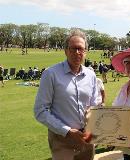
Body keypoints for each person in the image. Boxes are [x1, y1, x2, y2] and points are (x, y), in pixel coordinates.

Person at [34, 29, 98, 160]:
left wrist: (93, 115)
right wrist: (67, 131)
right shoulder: (51, 74)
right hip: (61, 138)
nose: (77, 52)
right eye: (73, 48)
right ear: (65, 50)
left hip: (87, 137)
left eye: (80, 49)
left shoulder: (91, 75)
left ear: (85, 51)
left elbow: (95, 103)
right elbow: (40, 110)